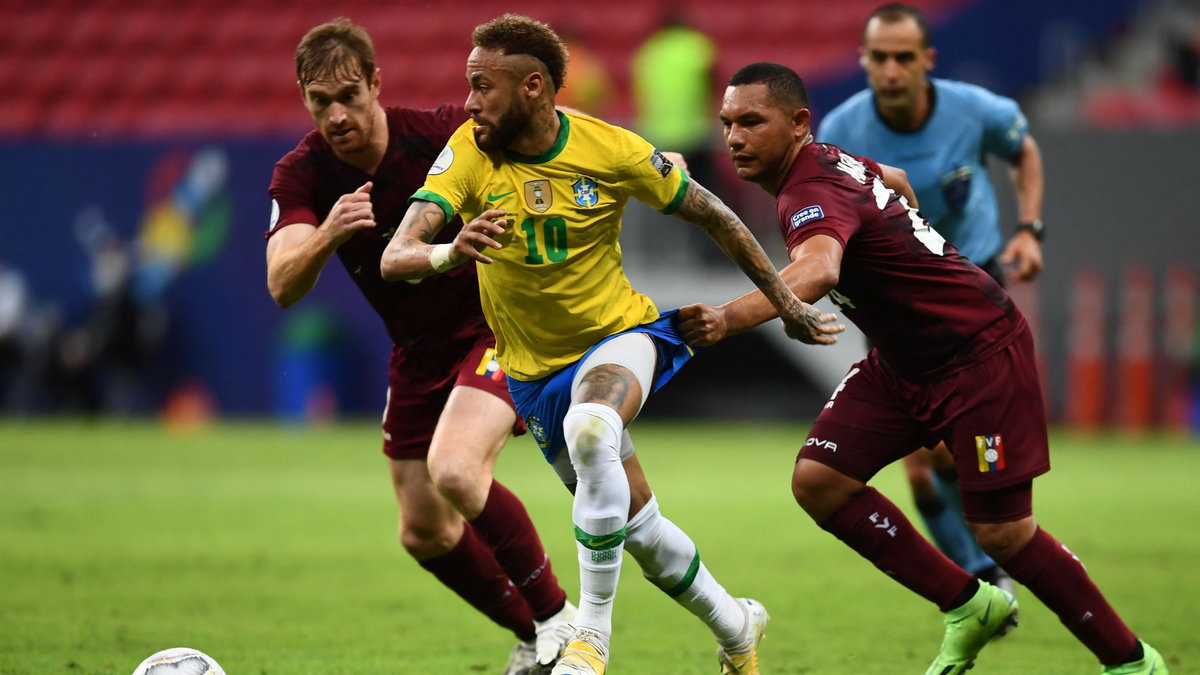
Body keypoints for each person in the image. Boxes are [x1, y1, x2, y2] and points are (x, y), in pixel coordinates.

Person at [380, 15, 842, 675]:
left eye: (483, 87)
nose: (471, 101)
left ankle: (588, 640)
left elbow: (716, 215)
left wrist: (785, 302)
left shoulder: (611, 149)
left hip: (622, 337)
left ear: (534, 87)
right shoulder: (470, 151)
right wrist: (453, 248)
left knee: (592, 426)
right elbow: (397, 255)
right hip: (533, 375)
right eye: (468, 86)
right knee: (640, 528)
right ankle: (737, 625)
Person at [680, 61, 1168, 674]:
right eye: (726, 123)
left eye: (751, 121)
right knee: (820, 480)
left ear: (799, 123)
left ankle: (1132, 662)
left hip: (976, 354)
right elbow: (897, 178)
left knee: (1003, 534)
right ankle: (968, 604)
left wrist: (725, 319)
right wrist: (909, 239)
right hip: (903, 362)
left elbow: (818, 271)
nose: (734, 137)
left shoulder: (809, 191)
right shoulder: (827, 160)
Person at [265, 18, 577, 674]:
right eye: (322, 102)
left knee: (458, 469)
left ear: (377, 83)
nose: (339, 114)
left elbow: (547, 129)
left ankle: (559, 619)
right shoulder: (303, 174)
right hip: (416, 352)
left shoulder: (441, 137)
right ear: (304, 101)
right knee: (423, 529)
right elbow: (282, 283)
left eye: (350, 95)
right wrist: (328, 233)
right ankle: (534, 636)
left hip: (495, 329)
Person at [817, 2, 1046, 612]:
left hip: (973, 292)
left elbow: (1023, 150)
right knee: (921, 465)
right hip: (893, 307)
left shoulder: (976, 111)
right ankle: (981, 584)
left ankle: (993, 559)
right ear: (864, 60)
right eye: (879, 58)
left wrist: (1029, 228)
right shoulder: (842, 128)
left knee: (968, 460)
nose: (890, 71)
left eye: (903, 58)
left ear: (927, 61)